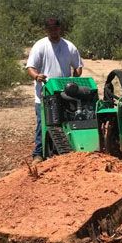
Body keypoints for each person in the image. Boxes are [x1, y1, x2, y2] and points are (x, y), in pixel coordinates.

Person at [26, 17, 83, 162]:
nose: (53, 31)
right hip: (44, 94)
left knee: (67, 121)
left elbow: (78, 66)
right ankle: (38, 154)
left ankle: (68, 151)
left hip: (64, 93)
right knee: (42, 123)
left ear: (59, 28)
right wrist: (37, 76)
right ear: (46, 30)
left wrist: (76, 76)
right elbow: (30, 67)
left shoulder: (69, 46)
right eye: (50, 29)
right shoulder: (40, 46)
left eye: (55, 28)